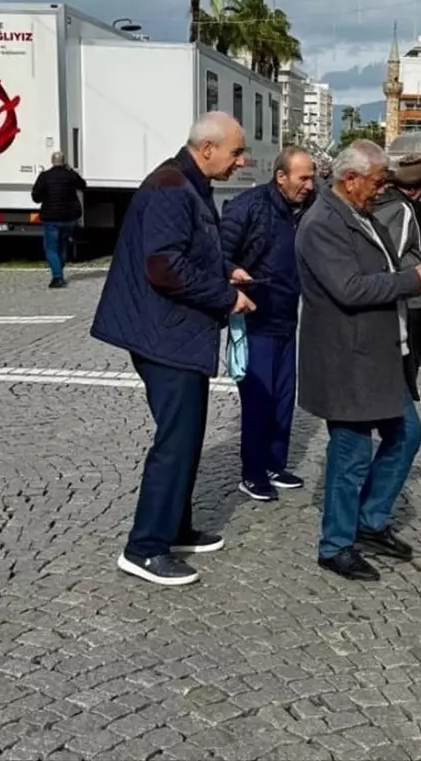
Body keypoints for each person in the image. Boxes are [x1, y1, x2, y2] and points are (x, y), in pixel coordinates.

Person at [91, 111, 255, 586]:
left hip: (176, 333)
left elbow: (190, 252)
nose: (241, 161)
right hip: (162, 335)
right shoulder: (169, 187)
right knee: (175, 441)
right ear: (207, 149)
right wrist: (226, 296)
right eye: (235, 152)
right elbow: (163, 268)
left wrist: (224, 272)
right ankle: (144, 548)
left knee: (186, 438)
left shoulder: (187, 182)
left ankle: (175, 528)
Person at [296, 140, 421, 582]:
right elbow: (351, 288)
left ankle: (371, 519)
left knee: (406, 434)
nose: (383, 190)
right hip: (348, 358)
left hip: (379, 354)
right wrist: (410, 280)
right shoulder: (323, 222)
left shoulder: (358, 212)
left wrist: (414, 279)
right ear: (351, 179)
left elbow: (377, 272)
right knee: (351, 452)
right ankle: (336, 544)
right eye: (378, 182)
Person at [220, 146, 315, 503]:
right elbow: (219, 250)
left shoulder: (308, 207)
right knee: (258, 399)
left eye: (312, 177)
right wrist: (231, 271)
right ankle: (252, 472)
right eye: (303, 177)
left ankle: (276, 464)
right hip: (254, 318)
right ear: (281, 177)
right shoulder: (249, 206)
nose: (309, 184)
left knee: (284, 398)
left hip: (288, 316)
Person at [372, 155, 421, 370]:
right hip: (403, 296)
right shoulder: (403, 209)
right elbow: (392, 258)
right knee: (403, 374)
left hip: (379, 294)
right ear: (414, 189)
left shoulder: (378, 202)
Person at [31, 151, 86, 289]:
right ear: (64, 161)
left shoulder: (45, 176)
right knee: (63, 245)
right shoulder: (70, 176)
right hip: (69, 218)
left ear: (52, 161)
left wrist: (45, 196)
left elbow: (36, 197)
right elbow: (83, 185)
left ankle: (57, 277)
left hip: (51, 217)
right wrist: (71, 169)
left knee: (51, 249)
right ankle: (58, 269)